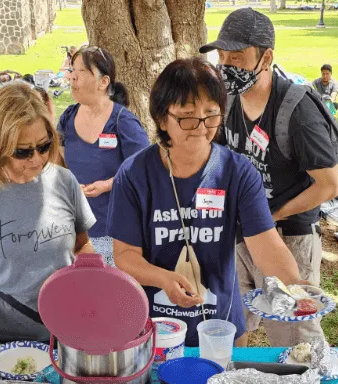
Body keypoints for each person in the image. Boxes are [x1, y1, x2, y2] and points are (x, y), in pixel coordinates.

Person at [107, 57, 311, 347]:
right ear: (163, 118)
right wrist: (163, 278)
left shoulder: (237, 172)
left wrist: (294, 285)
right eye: (187, 116)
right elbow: (125, 255)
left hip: (222, 324)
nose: (201, 127)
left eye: (211, 115)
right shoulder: (134, 174)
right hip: (157, 329)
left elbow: (265, 244)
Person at [200, 8, 338, 346]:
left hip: (288, 237)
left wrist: (270, 215)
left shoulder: (298, 110)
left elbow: (330, 184)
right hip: (239, 236)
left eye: (237, 57)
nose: (227, 65)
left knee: (294, 334)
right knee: (229, 326)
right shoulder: (229, 101)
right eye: (223, 56)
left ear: (266, 57)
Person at [0, 82, 96, 370]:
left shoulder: (64, 181)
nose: (38, 159)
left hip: (65, 330)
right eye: (23, 152)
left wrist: (93, 285)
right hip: (5, 338)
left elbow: (82, 244)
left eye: (44, 146)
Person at [57, 46, 149, 266]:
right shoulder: (67, 117)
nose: (73, 77)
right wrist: (67, 185)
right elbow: (57, 164)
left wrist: (108, 185)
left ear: (103, 81)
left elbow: (143, 171)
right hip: (74, 231)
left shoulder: (123, 122)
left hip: (115, 233)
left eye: (82, 71)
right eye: (72, 70)